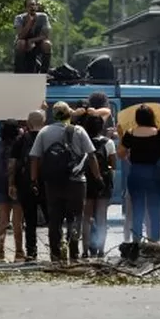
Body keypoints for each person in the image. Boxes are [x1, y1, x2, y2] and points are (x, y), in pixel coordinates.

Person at [30, 102, 100, 262]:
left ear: (54, 116)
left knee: (54, 219)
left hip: (53, 183)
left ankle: (56, 255)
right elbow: (91, 156)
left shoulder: (44, 132)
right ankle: (73, 253)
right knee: (75, 218)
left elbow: (34, 157)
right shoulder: (79, 130)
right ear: (69, 114)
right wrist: (98, 177)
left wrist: (34, 180)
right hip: (76, 182)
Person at [118, 105, 160, 243]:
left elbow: (121, 153)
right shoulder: (158, 132)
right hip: (154, 173)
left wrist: (120, 136)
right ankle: (155, 242)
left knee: (138, 209)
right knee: (154, 210)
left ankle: (136, 242)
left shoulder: (130, 133)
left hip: (135, 172)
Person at [9, 110, 46, 261]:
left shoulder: (21, 139)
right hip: (47, 183)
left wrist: (11, 183)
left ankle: (31, 252)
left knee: (29, 220)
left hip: (25, 184)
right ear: (44, 122)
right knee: (53, 219)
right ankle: (57, 250)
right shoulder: (47, 137)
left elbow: (12, 164)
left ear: (28, 124)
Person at [0, 121, 25, 263]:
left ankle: (0, 253)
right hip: (17, 186)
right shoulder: (20, 146)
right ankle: (19, 253)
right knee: (17, 222)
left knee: (2, 221)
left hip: (0, 186)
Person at [81, 114, 115, 257]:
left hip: (86, 181)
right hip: (103, 182)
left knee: (86, 217)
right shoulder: (108, 143)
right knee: (102, 217)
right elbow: (113, 165)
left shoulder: (82, 141)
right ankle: (101, 250)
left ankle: (84, 251)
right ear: (102, 127)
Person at [14, 0, 52, 74]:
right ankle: (19, 72)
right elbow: (20, 36)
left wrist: (32, 41)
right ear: (25, 8)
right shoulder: (19, 18)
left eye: (34, 5)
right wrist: (30, 23)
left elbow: (45, 35)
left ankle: (44, 72)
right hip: (24, 42)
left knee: (47, 44)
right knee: (21, 43)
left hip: (38, 42)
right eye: (29, 6)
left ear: (37, 7)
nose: (32, 7)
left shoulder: (43, 17)